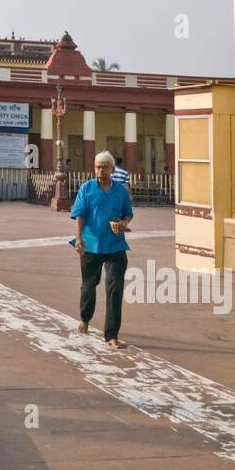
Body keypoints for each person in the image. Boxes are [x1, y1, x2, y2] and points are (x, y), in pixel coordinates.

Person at [71, 150, 133, 350]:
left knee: (114, 289)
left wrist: (123, 223)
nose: (101, 170)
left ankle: (111, 335)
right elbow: (79, 214)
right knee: (89, 284)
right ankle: (85, 317)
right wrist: (79, 238)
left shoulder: (121, 191)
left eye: (105, 167)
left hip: (115, 245)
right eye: (98, 166)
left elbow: (128, 214)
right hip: (91, 244)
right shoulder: (86, 189)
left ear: (112, 169)